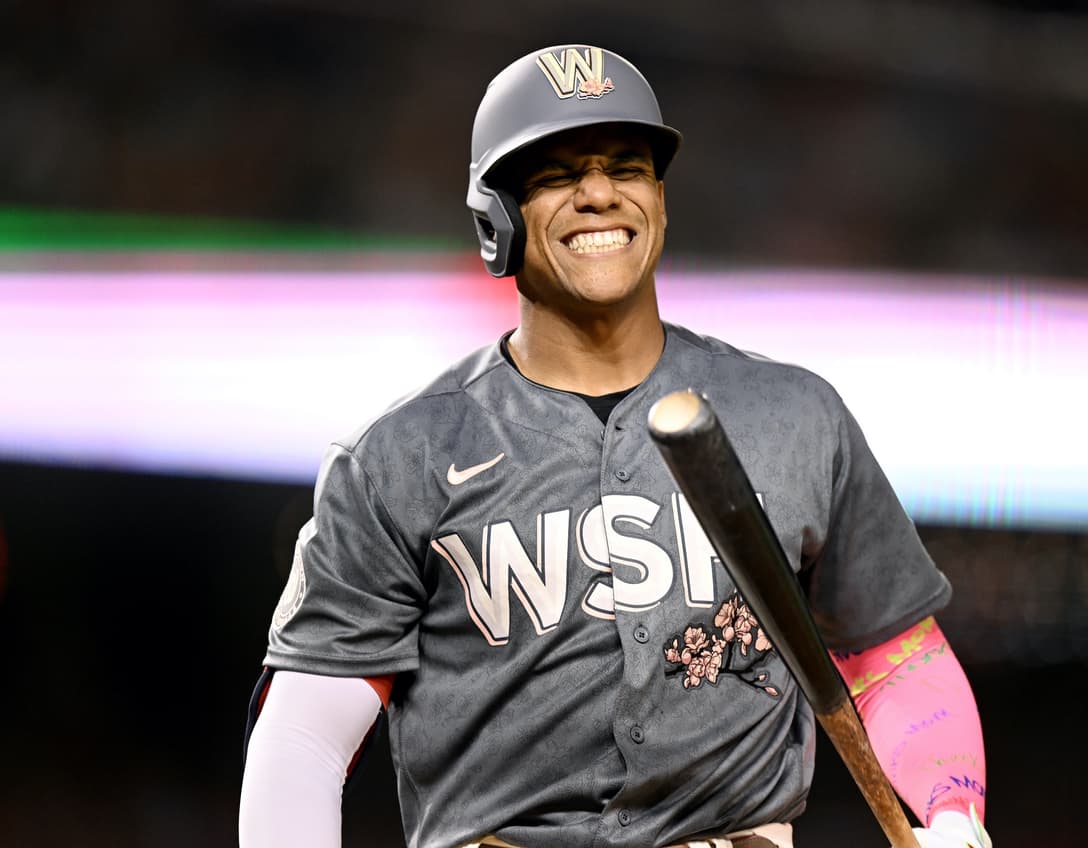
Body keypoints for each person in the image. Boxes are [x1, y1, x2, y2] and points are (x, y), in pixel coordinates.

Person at [239, 45, 991, 848]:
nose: (599, 193)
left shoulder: (794, 415)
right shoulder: (399, 457)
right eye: (557, 174)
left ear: (659, 200)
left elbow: (894, 656)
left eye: (626, 167)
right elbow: (307, 738)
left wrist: (953, 813)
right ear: (496, 216)